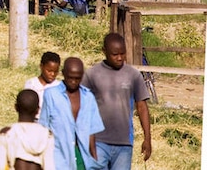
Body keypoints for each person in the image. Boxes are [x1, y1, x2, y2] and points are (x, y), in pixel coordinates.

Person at [81, 33, 152, 167]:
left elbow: (142, 107)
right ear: (104, 51)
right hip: (98, 142)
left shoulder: (133, 75)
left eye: (122, 53)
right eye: (115, 54)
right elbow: (81, 106)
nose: (120, 58)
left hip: (124, 144)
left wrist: (147, 138)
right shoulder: (92, 75)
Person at [39, 57, 104, 170]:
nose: (73, 82)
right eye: (70, 78)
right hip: (58, 158)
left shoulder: (88, 97)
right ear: (63, 73)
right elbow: (43, 129)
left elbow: (91, 133)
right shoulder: (51, 95)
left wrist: (94, 159)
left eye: (77, 78)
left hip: (82, 158)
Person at [0, 89, 56, 170]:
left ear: (16, 108)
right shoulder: (47, 135)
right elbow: (49, 166)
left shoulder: (7, 133)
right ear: (37, 110)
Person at [24, 51, 62, 117]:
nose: (52, 74)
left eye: (55, 71)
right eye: (49, 71)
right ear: (41, 66)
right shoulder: (31, 84)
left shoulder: (59, 86)